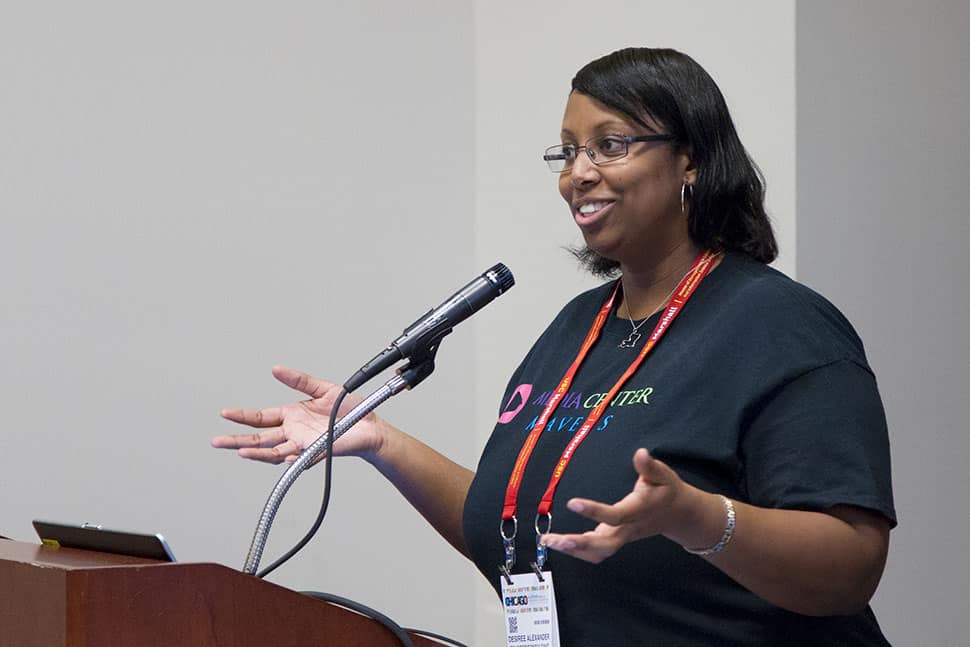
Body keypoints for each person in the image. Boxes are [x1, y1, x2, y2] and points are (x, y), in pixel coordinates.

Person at [212, 47, 895, 646]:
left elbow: (851, 564)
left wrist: (695, 515)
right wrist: (384, 443)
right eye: (568, 151)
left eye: (611, 144)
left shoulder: (781, 327)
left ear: (690, 158)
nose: (579, 173)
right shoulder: (576, 328)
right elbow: (515, 523)